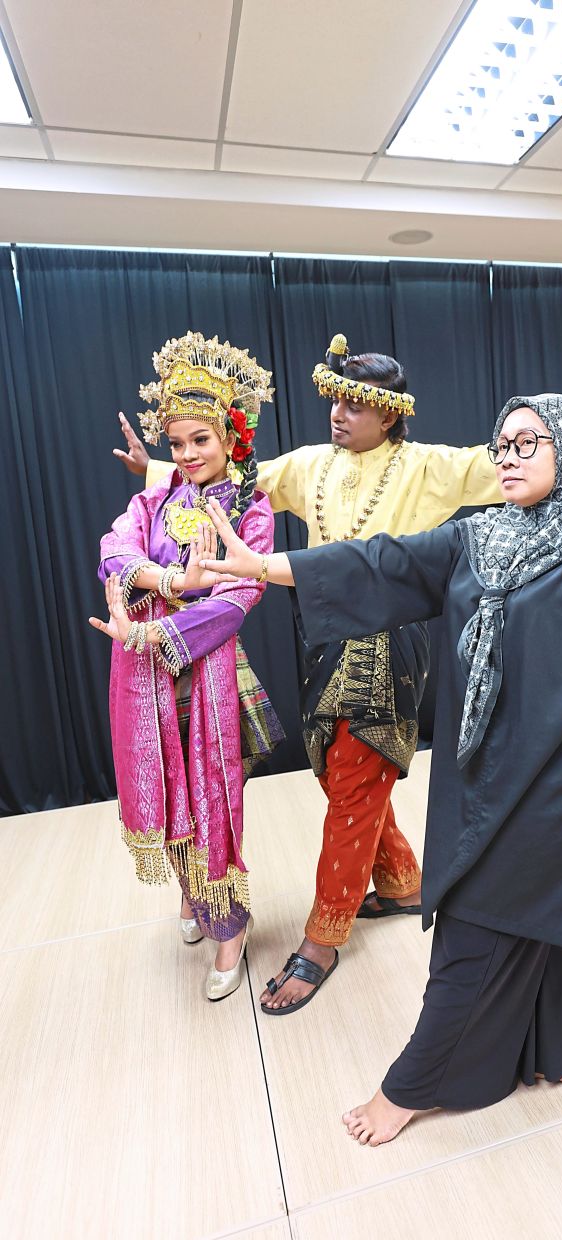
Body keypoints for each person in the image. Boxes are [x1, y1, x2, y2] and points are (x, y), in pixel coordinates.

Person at [200, 298, 562, 1138]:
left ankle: (415, 1085)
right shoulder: (477, 541)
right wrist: (266, 564)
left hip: (554, 792)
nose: (506, 457)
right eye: (501, 443)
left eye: (526, 444)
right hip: (478, 778)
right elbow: (379, 562)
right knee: (529, 922)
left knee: (472, 927)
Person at [114, 327, 562, 1014]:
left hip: (393, 640)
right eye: (333, 402)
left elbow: (507, 465)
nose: (338, 415)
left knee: (358, 773)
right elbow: (237, 482)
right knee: (341, 770)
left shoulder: (429, 465)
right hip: (325, 632)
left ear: (388, 413)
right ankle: (398, 881)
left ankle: (322, 937)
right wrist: (156, 470)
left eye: (354, 406)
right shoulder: (309, 465)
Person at [91, 332, 283, 1001]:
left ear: (231, 435)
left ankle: (228, 924)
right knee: (161, 791)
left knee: (211, 800)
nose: (187, 455)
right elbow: (113, 550)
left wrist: (157, 627)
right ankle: (189, 892)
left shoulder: (249, 509)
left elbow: (236, 599)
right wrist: (171, 580)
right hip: (143, 680)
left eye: (200, 439)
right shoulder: (155, 499)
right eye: (177, 444)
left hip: (207, 676)